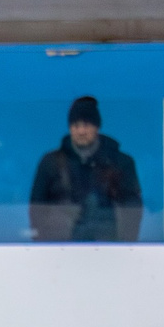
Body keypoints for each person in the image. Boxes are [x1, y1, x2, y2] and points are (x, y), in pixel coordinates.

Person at [28, 96, 143, 242]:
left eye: (87, 125)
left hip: (109, 248)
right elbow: (37, 207)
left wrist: (128, 245)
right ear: (70, 128)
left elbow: (132, 209)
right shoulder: (51, 163)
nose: (81, 131)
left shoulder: (121, 163)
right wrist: (42, 244)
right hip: (60, 247)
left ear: (97, 127)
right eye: (75, 125)